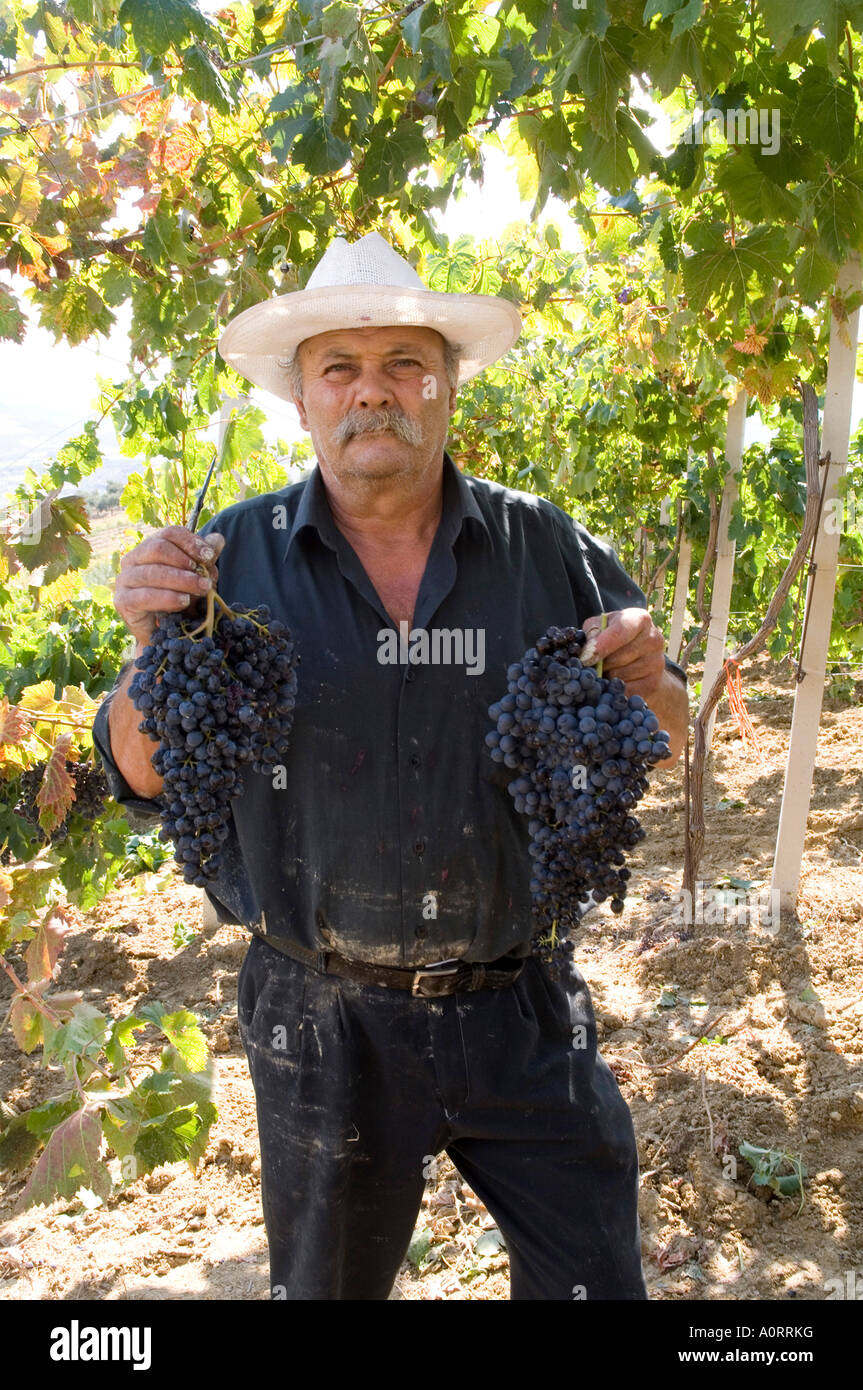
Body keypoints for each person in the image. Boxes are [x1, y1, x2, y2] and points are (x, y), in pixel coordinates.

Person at [93, 230, 689, 1301]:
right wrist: (153, 647)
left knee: (597, 1282)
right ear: (304, 399)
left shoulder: (543, 545)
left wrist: (643, 676)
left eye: (405, 364)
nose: (376, 393)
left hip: (524, 1011)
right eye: (342, 368)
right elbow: (139, 770)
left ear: (447, 386)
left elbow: (668, 731)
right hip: (322, 1025)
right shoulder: (229, 559)